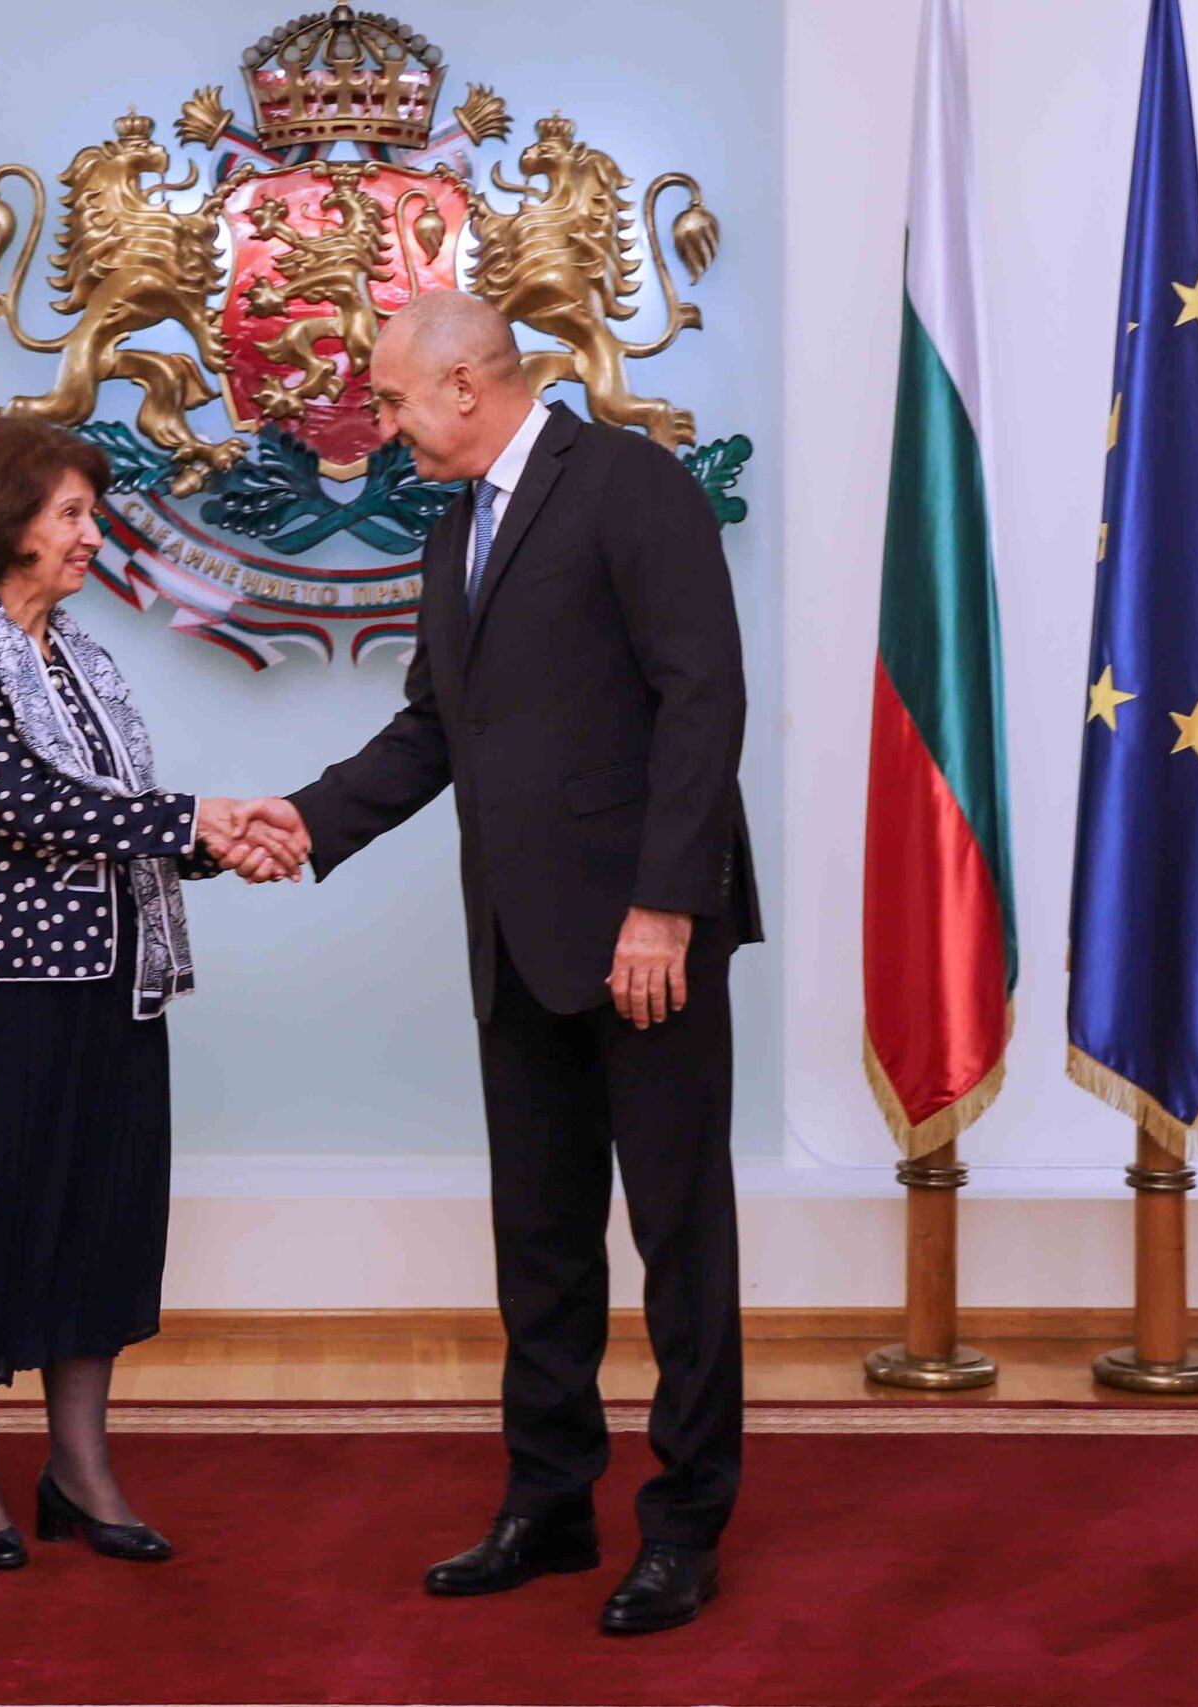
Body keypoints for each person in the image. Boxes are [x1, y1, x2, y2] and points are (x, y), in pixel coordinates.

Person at [238, 291, 761, 1635]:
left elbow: (706, 694)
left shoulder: (631, 485)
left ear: (467, 383)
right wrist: (307, 818)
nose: (380, 418)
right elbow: (436, 728)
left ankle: (687, 1523)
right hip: (516, 936)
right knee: (539, 1237)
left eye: (395, 397)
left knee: (678, 1235)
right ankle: (551, 1498)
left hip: (645, 940)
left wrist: (666, 906)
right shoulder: (456, 524)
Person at [0, 416, 289, 1571]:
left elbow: (117, 819)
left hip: (108, 993)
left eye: (90, 513)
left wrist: (219, 835)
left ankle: (81, 1467)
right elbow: (31, 808)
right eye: (72, 515)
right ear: (7, 528)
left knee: (96, 1226)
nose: (93, 534)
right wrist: (195, 818)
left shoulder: (84, 657)